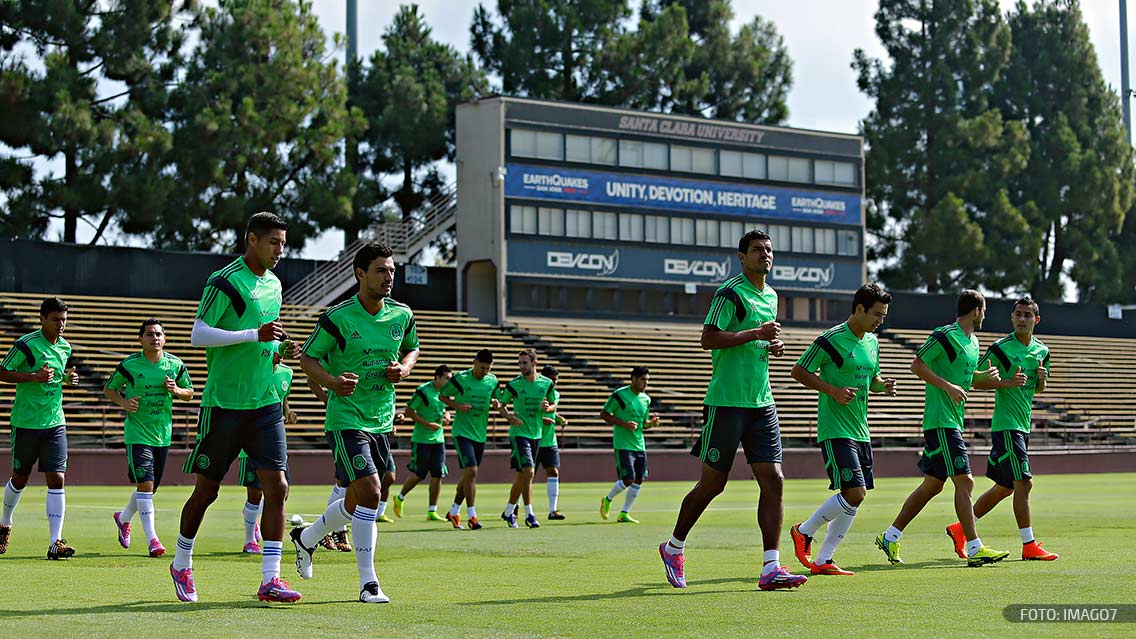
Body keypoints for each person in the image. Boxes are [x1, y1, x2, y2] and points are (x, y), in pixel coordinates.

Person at [658, 229, 807, 591]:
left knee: (774, 480)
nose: (765, 255)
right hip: (726, 402)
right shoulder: (730, 292)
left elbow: (758, 338)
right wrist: (756, 334)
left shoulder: (770, 295)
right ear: (741, 257)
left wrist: (773, 344)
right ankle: (673, 547)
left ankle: (771, 567)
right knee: (714, 483)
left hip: (762, 403)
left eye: (769, 250)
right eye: (757, 250)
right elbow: (708, 338)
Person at [171, 212, 300, 603]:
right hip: (224, 404)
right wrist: (253, 334)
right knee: (207, 492)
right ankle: (181, 562)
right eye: (273, 242)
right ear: (252, 239)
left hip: (264, 404)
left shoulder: (275, 284)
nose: (280, 250)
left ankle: (271, 579)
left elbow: (266, 339)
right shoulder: (224, 280)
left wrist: (280, 348)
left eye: (283, 243)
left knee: (277, 487)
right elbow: (198, 334)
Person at [291, 242, 420, 604]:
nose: (389, 276)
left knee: (362, 497)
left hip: (381, 418)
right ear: (360, 274)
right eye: (381, 270)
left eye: (392, 270)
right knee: (373, 493)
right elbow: (308, 359)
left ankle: (307, 538)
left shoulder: (402, 314)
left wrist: (405, 368)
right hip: (346, 418)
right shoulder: (338, 317)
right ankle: (369, 583)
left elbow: (413, 347)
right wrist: (332, 382)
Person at [875, 290, 1010, 568]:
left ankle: (890, 536)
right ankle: (974, 548)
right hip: (940, 421)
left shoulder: (973, 343)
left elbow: (967, 380)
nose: (984, 315)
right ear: (976, 311)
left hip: (952, 421)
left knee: (933, 486)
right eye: (984, 310)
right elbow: (917, 364)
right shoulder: (944, 334)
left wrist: (985, 378)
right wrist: (947, 386)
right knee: (966, 481)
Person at [789, 284, 897, 576]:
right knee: (856, 493)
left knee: (854, 497)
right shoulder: (831, 339)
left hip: (862, 430)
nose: (880, 321)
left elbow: (872, 379)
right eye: (876, 314)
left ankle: (824, 560)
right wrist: (833, 390)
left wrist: (882, 385)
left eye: (883, 316)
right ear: (859, 309)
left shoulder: (873, 342)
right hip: (836, 428)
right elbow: (799, 371)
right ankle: (804, 531)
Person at [946, 296, 1058, 561]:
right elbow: (976, 380)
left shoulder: (1042, 351)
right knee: (1025, 483)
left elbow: (1037, 389)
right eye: (1017, 314)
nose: (1022, 319)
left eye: (1027, 315)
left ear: (1036, 320)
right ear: (1011, 317)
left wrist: (1041, 381)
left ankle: (960, 529)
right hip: (1007, 426)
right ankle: (1029, 545)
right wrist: (1006, 382)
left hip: (1023, 425)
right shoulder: (1000, 348)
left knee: (1005, 488)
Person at [105, 318, 194, 559]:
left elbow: (190, 393)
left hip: (162, 435)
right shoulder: (130, 365)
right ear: (140, 339)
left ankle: (123, 519)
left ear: (164, 339)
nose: (155, 338)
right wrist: (124, 402)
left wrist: (176, 390)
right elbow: (109, 389)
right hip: (137, 433)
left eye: (158, 334)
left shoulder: (175, 365)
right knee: (145, 486)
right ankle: (153, 540)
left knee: (150, 489)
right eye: (149, 334)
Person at [0, 297, 79, 559]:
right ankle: (5, 522)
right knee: (20, 477)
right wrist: (33, 377)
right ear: (42, 318)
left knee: (57, 477)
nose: (61, 324)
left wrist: (68, 378)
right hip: (26, 423)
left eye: (64, 320)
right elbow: (2, 371)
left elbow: (57, 376)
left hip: (55, 422)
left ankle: (55, 542)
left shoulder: (65, 347)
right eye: (56, 319)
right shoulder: (26, 345)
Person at [237, 346, 297, 554]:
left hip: (274, 440)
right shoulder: (250, 369)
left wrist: (288, 411)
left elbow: (282, 396)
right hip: (251, 439)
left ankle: (253, 519)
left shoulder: (287, 372)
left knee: (281, 491)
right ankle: (249, 540)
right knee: (255, 493)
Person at [439, 350, 499, 530]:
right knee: (472, 472)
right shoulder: (461, 379)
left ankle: (453, 511)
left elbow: (498, 399)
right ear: (474, 362)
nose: (484, 372)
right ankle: (472, 516)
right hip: (462, 432)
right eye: (482, 368)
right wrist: (457, 406)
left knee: (468, 476)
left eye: (488, 369)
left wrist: (497, 403)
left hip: (480, 434)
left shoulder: (492, 380)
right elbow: (442, 396)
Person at [497, 349, 556, 529]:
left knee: (522, 476)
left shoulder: (546, 384)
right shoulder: (514, 384)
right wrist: (508, 417)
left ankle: (508, 511)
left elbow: (553, 405)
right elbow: (501, 404)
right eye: (520, 363)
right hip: (519, 434)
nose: (521, 366)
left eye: (525, 363)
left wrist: (548, 407)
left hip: (537, 434)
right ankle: (530, 514)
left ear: (534, 363)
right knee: (529, 472)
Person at [393, 365, 454, 521]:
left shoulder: (445, 393)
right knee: (419, 474)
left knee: (438, 473)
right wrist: (427, 424)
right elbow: (409, 411)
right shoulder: (423, 391)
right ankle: (400, 497)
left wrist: (447, 415)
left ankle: (432, 511)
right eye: (447, 378)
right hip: (422, 439)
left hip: (438, 439)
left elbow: (445, 408)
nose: (449, 382)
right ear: (437, 377)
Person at [599, 367, 659, 524]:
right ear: (633, 379)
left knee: (639, 479)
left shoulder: (646, 399)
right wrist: (624, 424)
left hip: (640, 445)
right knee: (628, 479)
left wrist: (650, 424)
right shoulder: (620, 395)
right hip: (623, 444)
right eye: (643, 379)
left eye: (647, 380)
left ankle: (624, 513)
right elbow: (604, 414)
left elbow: (642, 424)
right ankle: (607, 499)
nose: (646, 383)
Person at [307, 357, 352, 552]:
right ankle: (335, 530)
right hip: (343, 422)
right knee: (346, 480)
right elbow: (311, 379)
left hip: (370, 422)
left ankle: (328, 530)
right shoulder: (339, 355)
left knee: (355, 480)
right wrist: (327, 399)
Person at [538, 365, 567, 520]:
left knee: (553, 472)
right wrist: (543, 419)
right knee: (525, 476)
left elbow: (552, 411)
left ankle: (552, 510)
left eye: (556, 379)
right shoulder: (535, 392)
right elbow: (525, 412)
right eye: (551, 379)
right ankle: (514, 506)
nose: (554, 383)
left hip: (550, 441)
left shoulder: (555, 394)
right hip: (533, 439)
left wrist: (558, 418)